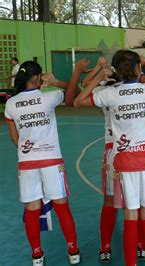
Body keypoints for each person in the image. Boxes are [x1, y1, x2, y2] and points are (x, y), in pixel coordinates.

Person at [74, 50, 145, 266]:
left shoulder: (109, 94)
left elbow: (78, 102)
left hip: (123, 160)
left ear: (117, 70)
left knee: (129, 213)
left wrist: (98, 77)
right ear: (139, 69)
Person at [4, 61, 80, 266]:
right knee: (61, 205)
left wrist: (28, 151)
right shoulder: (50, 97)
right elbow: (75, 92)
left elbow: (14, 138)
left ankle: (36, 255)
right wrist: (55, 82)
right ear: (37, 77)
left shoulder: (11, 104)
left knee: (32, 208)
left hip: (27, 162)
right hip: (51, 160)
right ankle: (73, 250)